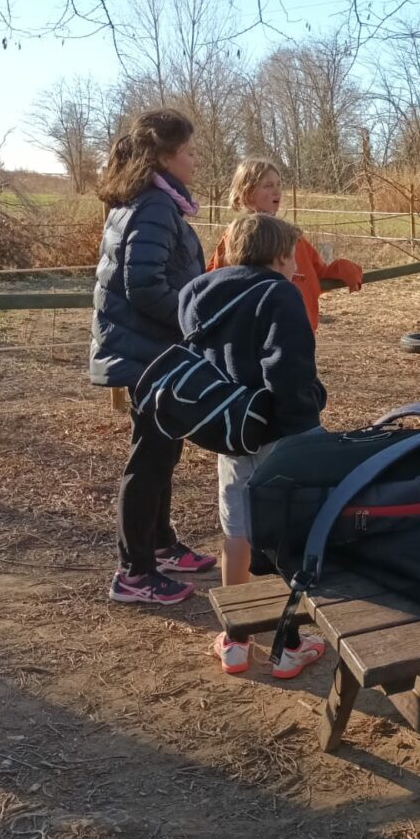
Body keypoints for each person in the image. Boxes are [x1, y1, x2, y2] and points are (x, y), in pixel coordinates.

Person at [180, 212, 329, 678]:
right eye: (293, 257)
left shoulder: (196, 293)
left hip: (229, 429)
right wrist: (310, 407)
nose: (296, 267)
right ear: (278, 256)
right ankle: (289, 644)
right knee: (286, 535)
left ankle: (236, 637)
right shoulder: (279, 294)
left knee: (237, 529)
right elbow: (288, 370)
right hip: (281, 433)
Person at [92, 108, 217, 606]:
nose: (196, 159)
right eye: (189, 151)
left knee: (163, 449)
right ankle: (134, 572)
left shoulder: (146, 201)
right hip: (149, 352)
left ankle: (160, 544)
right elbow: (143, 286)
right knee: (150, 458)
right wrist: (193, 320)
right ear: (165, 157)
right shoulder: (155, 207)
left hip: (150, 350)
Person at [207, 158, 363, 330]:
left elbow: (316, 273)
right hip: (258, 335)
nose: (277, 191)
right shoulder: (236, 238)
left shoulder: (293, 237)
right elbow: (216, 284)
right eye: (268, 186)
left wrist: (342, 269)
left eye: (279, 184)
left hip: (300, 332)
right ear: (247, 193)